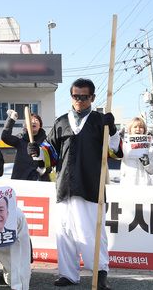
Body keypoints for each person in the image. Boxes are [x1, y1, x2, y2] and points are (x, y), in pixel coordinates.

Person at [29, 78, 120, 289]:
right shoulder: (61, 122)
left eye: (84, 97)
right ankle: (68, 274)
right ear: (71, 96)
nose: (79, 100)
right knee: (65, 232)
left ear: (92, 98)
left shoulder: (101, 121)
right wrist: (37, 152)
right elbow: (49, 154)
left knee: (92, 232)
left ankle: (100, 273)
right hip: (64, 185)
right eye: (75, 96)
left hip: (91, 186)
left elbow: (115, 151)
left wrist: (113, 130)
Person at [1, 109, 57, 181]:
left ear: (40, 125)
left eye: (36, 120)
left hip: (40, 182)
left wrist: (43, 169)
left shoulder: (46, 141)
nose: (33, 121)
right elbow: (5, 137)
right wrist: (12, 119)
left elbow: (51, 160)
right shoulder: (20, 139)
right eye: (30, 120)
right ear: (25, 126)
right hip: (20, 180)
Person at [120, 117, 153, 186]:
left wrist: (145, 161)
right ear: (130, 130)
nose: (138, 129)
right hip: (128, 186)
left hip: (144, 186)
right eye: (135, 127)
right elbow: (115, 156)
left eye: (141, 127)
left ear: (144, 130)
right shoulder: (124, 145)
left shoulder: (150, 147)